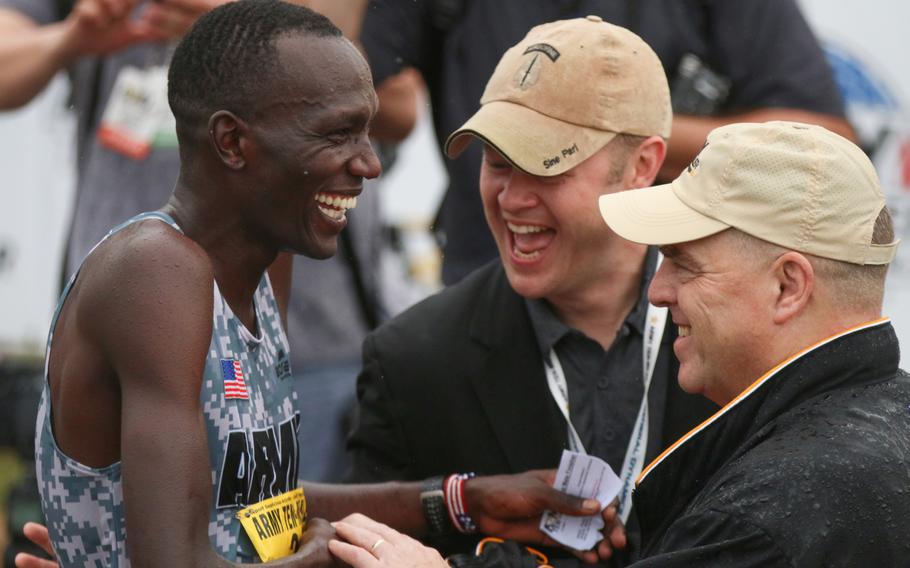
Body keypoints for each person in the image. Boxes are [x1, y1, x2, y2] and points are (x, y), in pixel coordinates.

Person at [24, 3, 609, 566]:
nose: (368, 163)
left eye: (367, 132)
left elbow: (258, 509)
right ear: (232, 142)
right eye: (337, 135)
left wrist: (467, 501)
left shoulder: (265, 261)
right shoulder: (155, 269)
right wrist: (313, 561)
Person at [326, 121, 910, 568]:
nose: (658, 290)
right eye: (499, 164)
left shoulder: (763, 517)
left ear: (788, 286)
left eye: (686, 264)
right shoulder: (878, 426)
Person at [346, 16, 717, 565]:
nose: (511, 198)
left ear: (643, 166)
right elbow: (361, 543)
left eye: (547, 166)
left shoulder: (738, 336)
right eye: (496, 162)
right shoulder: (412, 360)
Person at [0, 0, 415, 487]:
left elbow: (403, 105)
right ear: (229, 139)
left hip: (314, 340)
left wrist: (245, 42)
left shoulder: (273, 251)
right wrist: (70, 39)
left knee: (272, 520)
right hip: (130, 331)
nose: (367, 164)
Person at [358, 0, 856, 285]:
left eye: (548, 161)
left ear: (645, 163)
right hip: (486, 284)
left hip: (676, 298)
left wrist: (611, 130)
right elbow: (350, 87)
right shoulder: (424, 357)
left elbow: (824, 142)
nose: (520, 190)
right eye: (504, 156)